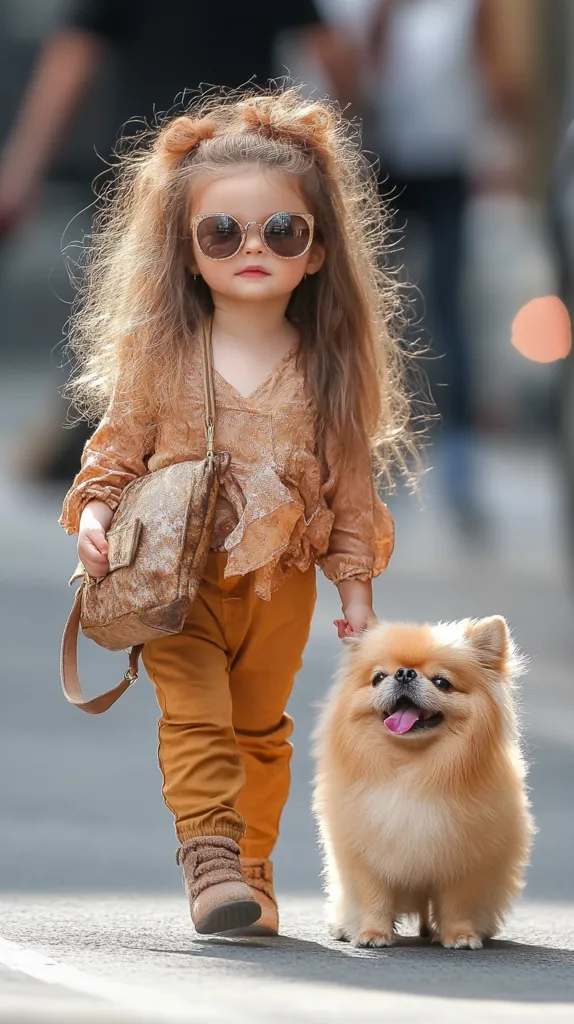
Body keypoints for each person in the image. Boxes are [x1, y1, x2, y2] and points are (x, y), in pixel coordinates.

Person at [57, 89, 414, 936]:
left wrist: (354, 591)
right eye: (223, 232)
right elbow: (115, 451)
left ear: (318, 250)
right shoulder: (162, 354)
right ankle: (210, 855)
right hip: (177, 580)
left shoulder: (328, 370)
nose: (252, 248)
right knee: (196, 715)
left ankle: (252, 867)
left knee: (260, 728)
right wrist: (97, 517)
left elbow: (349, 492)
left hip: (282, 585)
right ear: (186, 252)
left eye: (280, 231)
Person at [0, 0, 355, 481]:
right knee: (250, 317)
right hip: (239, 177)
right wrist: (346, 151)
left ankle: (140, 451)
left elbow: (71, 61)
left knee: (144, 321)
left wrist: (23, 171)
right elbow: (333, 57)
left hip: (151, 176)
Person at [364, 0, 530, 536]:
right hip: (382, 159)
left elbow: (496, 78)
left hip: (446, 162)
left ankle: (458, 469)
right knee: (376, 311)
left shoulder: (469, 8)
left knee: (448, 310)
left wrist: (506, 141)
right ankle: (376, 455)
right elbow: (361, 76)